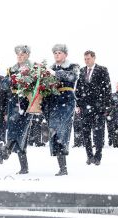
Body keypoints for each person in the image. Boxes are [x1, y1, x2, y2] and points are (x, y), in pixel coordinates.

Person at [42, 44, 79, 176]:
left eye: (59, 52)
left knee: (62, 129)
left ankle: (50, 129)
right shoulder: (50, 68)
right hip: (53, 101)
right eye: (55, 53)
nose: (57, 55)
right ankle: (62, 167)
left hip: (66, 100)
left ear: (65, 54)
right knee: (57, 136)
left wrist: (56, 74)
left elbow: (72, 77)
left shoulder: (73, 66)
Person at [0, 45, 33, 174]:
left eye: (23, 54)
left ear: (28, 55)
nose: (20, 56)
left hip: (27, 103)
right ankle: (22, 166)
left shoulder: (33, 68)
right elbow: (3, 85)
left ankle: (8, 149)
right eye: (18, 54)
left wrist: (22, 80)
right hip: (13, 104)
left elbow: (35, 85)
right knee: (13, 131)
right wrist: (9, 80)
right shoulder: (11, 69)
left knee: (22, 133)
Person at [75, 50, 111, 166]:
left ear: (94, 58)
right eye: (85, 59)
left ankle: (98, 156)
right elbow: (78, 89)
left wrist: (106, 106)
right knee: (85, 133)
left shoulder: (102, 70)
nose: (86, 61)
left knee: (98, 133)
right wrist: (78, 104)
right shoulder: (81, 71)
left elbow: (107, 88)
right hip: (85, 107)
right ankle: (89, 156)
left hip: (98, 107)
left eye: (88, 59)